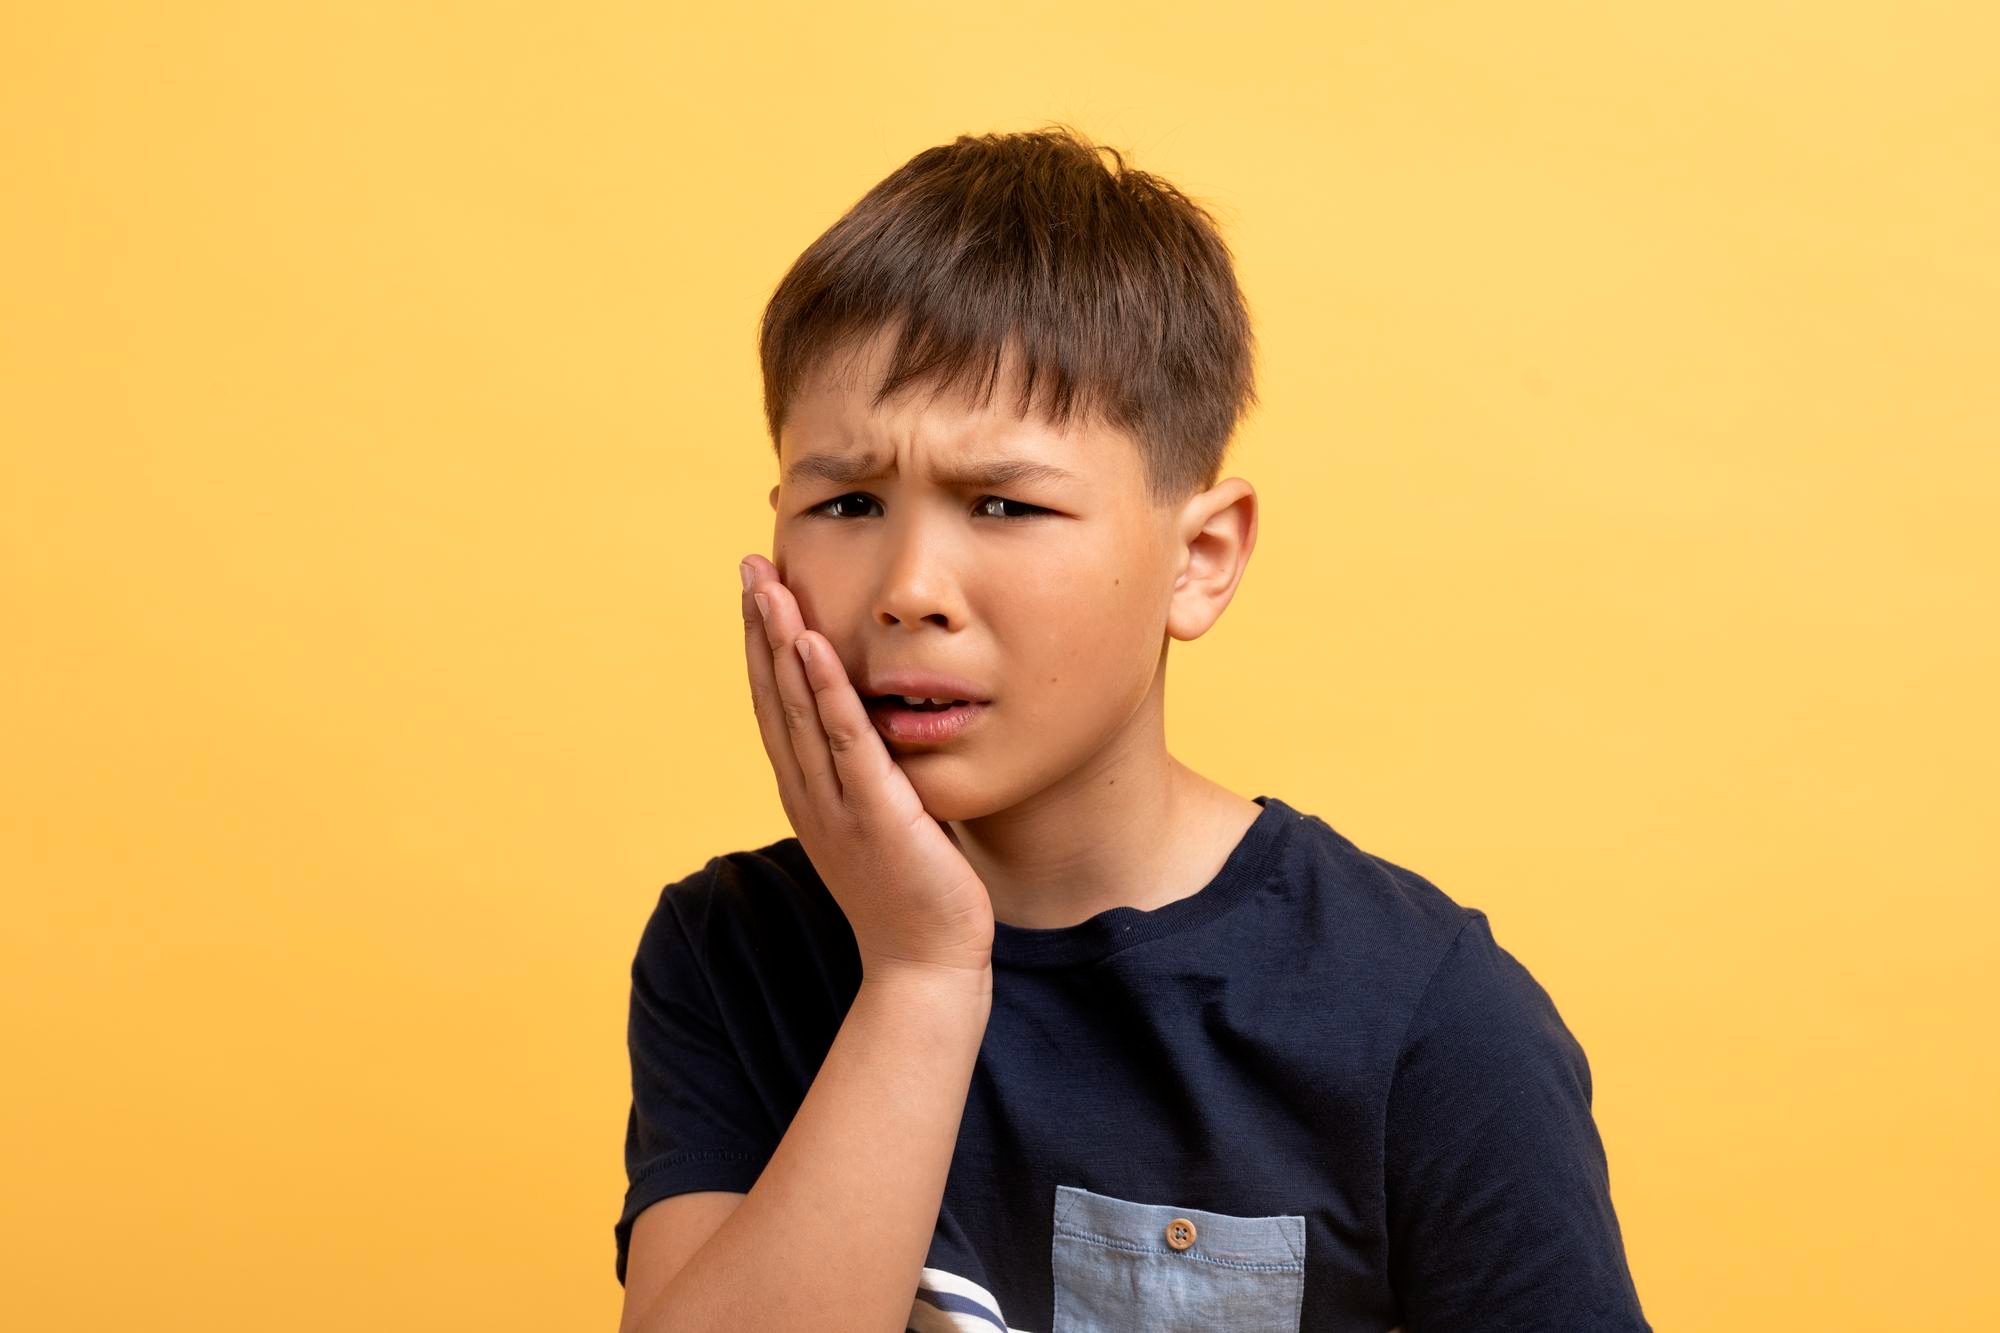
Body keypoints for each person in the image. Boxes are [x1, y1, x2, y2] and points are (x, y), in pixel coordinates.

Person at [612, 124, 1651, 1333]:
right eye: (845, 503)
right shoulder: (730, 951)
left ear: (1197, 559)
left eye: (1003, 504)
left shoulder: (1422, 1014)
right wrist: (919, 971)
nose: (908, 588)